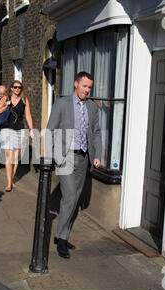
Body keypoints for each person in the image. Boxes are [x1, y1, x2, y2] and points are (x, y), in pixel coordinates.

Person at [46, 71, 102, 259]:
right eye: (85, 86)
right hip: (65, 156)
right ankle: (61, 239)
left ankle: (62, 234)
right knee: (69, 197)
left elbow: (96, 133)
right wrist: (54, 157)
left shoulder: (92, 107)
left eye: (90, 87)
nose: (87, 90)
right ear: (76, 84)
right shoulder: (62, 103)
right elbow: (50, 130)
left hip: (83, 157)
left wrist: (97, 155)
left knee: (75, 200)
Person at [0, 80, 34, 192]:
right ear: (11, 88)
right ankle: (8, 183)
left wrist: (31, 130)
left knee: (16, 158)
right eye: (15, 87)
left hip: (20, 129)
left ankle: (11, 179)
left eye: (19, 87)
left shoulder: (24, 100)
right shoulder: (5, 99)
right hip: (7, 129)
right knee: (8, 156)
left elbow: (28, 115)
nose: (17, 89)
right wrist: (5, 106)